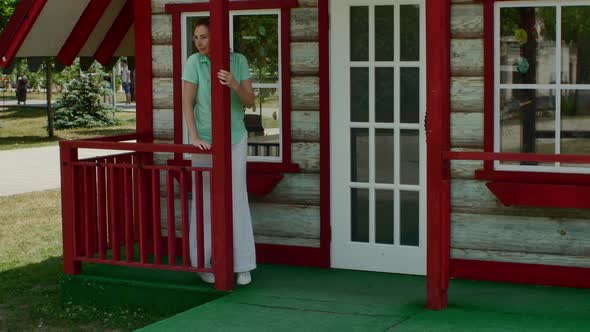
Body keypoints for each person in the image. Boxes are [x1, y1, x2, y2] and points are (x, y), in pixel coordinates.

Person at [182, 18, 257, 286]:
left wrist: (235, 84)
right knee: (204, 200)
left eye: (203, 37)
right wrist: (195, 137)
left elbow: (249, 101)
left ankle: (243, 264)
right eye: (196, 37)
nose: (198, 42)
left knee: (237, 198)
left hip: (235, 138)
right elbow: (187, 104)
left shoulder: (239, 60)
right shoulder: (193, 62)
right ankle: (202, 263)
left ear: (218, 37)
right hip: (206, 143)